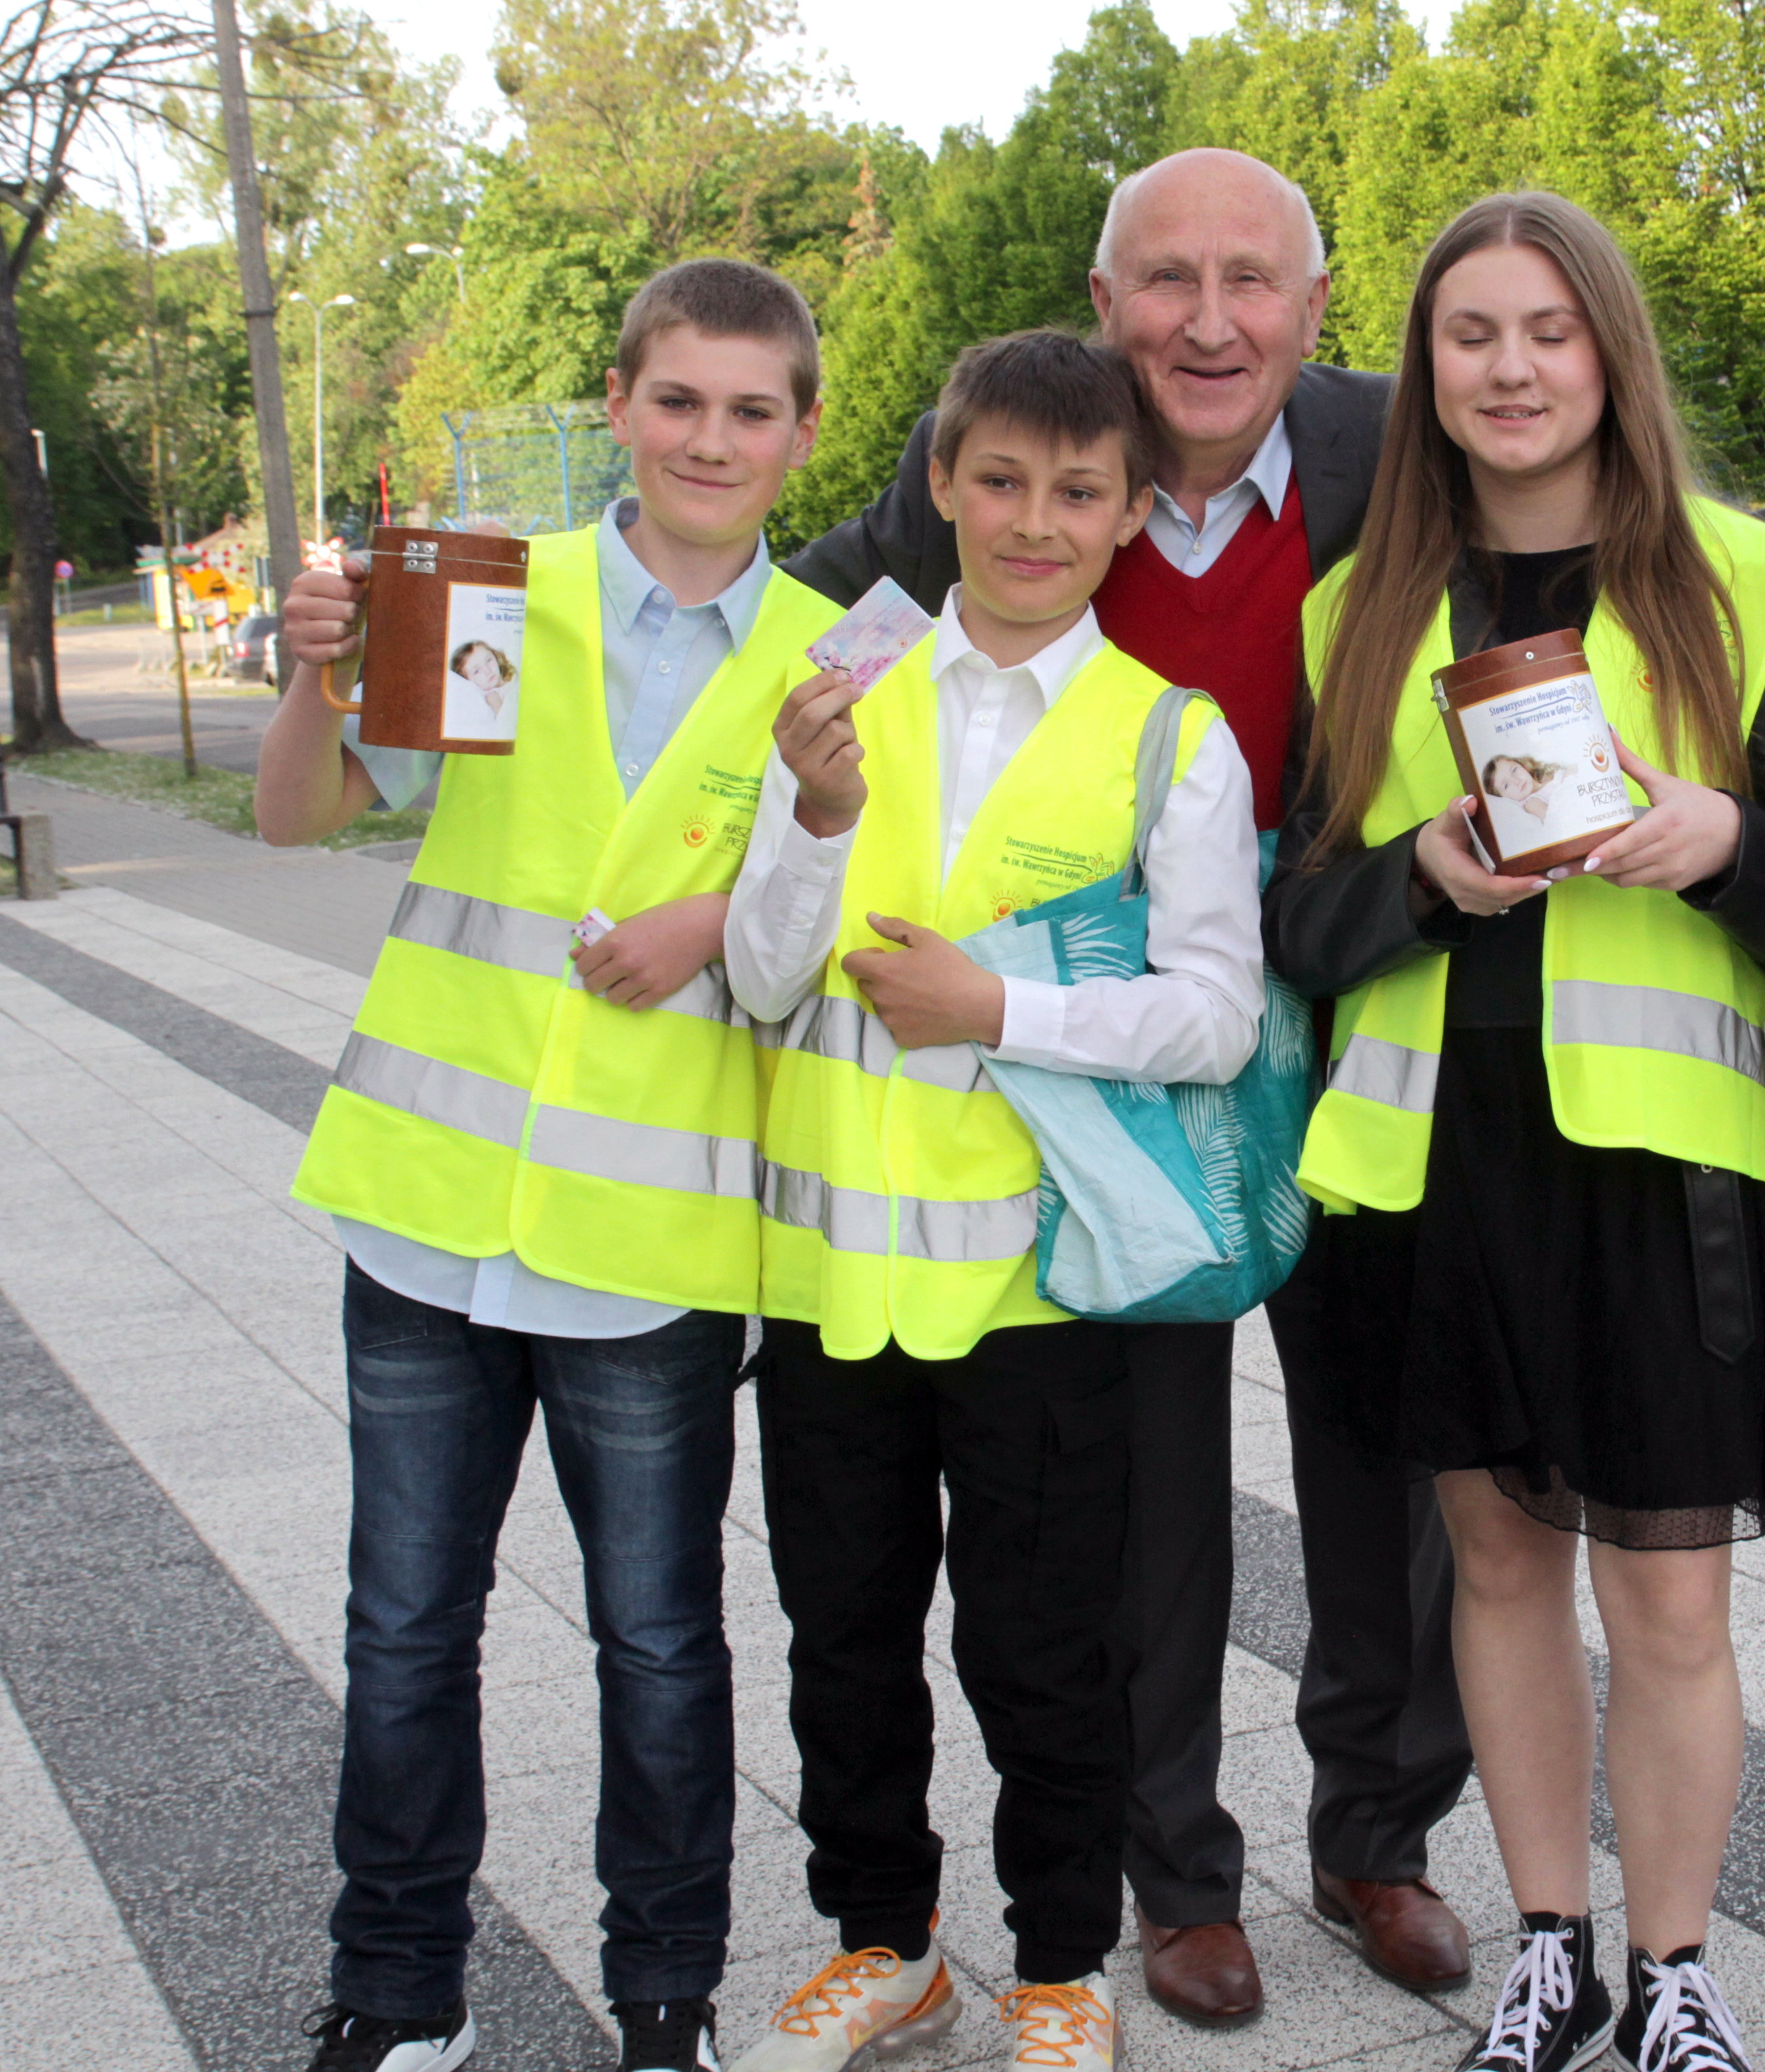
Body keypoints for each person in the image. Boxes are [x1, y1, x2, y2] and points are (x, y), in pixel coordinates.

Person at [785, 145, 1476, 2026]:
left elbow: (1630, 539)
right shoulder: (995, 477)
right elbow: (784, 645)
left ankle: (1379, 1835)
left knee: (1380, 1466)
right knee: (1146, 1493)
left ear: (1316, 311)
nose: (1210, 318)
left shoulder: (1399, 459)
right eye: (1167, 278)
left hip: (1354, 1017)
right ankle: (1179, 1874)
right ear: (1105, 304)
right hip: (1116, 1082)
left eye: (1253, 280)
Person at [1265, 190, 1765, 2072]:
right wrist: (1422, 877)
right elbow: (1302, 919)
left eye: (1547, 331)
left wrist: (1723, 842)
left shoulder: (1745, 575)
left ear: (1610, 353)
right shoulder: (1356, 610)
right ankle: (1550, 1946)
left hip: (1661, 1166)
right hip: (1435, 1163)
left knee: (1666, 1594)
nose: (1510, 369)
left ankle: (1676, 1971)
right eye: (1470, 335)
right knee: (1495, 1572)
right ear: (1423, 370)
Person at [255, 258, 843, 2072]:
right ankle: (396, 1996)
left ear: (802, 434)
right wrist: (312, 680)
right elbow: (300, 814)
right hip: (428, 1220)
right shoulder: (495, 593)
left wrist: (729, 903)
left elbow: (822, 943)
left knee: (663, 1652)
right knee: (405, 1636)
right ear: (619, 404)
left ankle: (665, 2003)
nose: (711, 438)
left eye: (753, 410)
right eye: (681, 400)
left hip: (647, 1244)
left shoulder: (831, 659)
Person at [720, 328, 1265, 2072]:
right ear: (941, 482)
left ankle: (1055, 1966)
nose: (1035, 521)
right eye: (1003, 481)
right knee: (843, 1648)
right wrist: (811, 813)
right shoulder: (836, 680)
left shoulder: (1169, 736)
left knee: (1046, 1659)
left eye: (1079, 491)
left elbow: (1219, 1014)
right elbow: (755, 971)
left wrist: (1004, 1011)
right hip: (829, 1292)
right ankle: (887, 1948)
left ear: (1127, 515)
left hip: (1041, 1300)